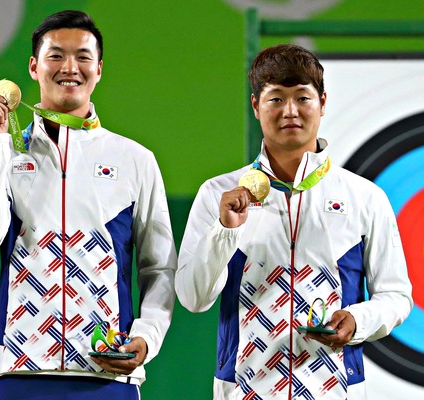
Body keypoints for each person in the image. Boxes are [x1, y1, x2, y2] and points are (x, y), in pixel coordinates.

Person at [175, 43, 413, 399]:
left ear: (322, 102)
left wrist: (357, 321)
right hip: (242, 390)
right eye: (275, 99)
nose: (290, 111)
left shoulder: (364, 197)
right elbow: (194, 298)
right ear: (255, 105)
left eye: (302, 98)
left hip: (337, 391)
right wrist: (223, 231)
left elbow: (396, 296)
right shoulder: (218, 193)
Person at [0, 10, 177, 400]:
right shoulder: (3, 152)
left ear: (98, 69)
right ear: (33, 67)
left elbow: (160, 266)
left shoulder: (135, 159)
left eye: (82, 57)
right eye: (56, 56)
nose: (70, 68)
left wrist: (146, 338)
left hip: (108, 373)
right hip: (21, 372)